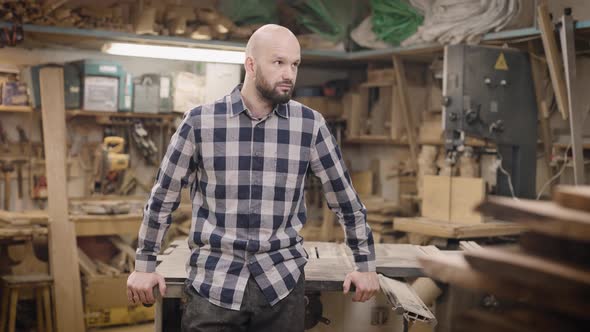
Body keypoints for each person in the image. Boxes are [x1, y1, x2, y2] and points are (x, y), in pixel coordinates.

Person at [127, 24, 379, 332]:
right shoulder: (200, 122)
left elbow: (346, 201)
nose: (289, 73)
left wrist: (365, 265)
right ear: (250, 64)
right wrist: (145, 265)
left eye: (295, 64)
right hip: (214, 285)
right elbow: (162, 198)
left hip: (281, 285)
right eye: (278, 62)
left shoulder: (310, 126)